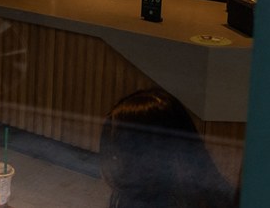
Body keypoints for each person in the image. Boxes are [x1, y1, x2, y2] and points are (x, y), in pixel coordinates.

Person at [99, 88, 233, 208]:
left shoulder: (162, 196)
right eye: (117, 151)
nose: (118, 159)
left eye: (128, 148)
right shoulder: (136, 196)